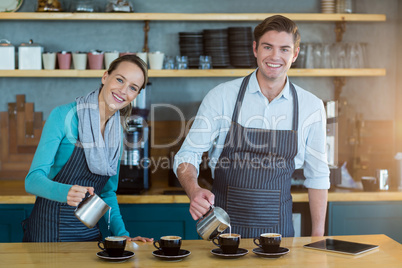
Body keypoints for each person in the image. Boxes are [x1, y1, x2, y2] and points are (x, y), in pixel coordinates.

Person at [174, 15, 330, 238]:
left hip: (279, 235)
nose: (275, 56)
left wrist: (318, 237)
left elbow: (318, 176)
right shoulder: (221, 97)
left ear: (295, 54)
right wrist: (194, 189)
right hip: (223, 231)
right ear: (255, 49)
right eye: (268, 47)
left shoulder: (311, 106)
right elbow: (187, 155)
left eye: (284, 49)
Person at [23, 55, 153, 243]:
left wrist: (123, 235)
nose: (123, 91)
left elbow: (107, 193)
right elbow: (32, 180)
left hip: (89, 239)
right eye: (119, 80)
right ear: (105, 77)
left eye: (133, 87)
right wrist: (65, 192)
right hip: (47, 235)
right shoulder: (64, 116)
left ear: (136, 95)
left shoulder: (117, 131)